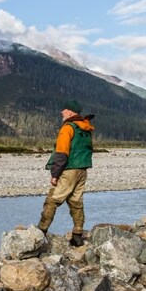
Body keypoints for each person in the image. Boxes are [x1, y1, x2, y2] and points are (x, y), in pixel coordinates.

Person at [38, 99, 95, 246]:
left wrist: (55, 175)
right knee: (76, 202)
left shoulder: (68, 127)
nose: (61, 112)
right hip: (82, 170)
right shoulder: (85, 128)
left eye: (63, 110)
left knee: (53, 200)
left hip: (69, 170)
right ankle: (77, 236)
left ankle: (41, 232)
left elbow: (62, 153)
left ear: (69, 112)